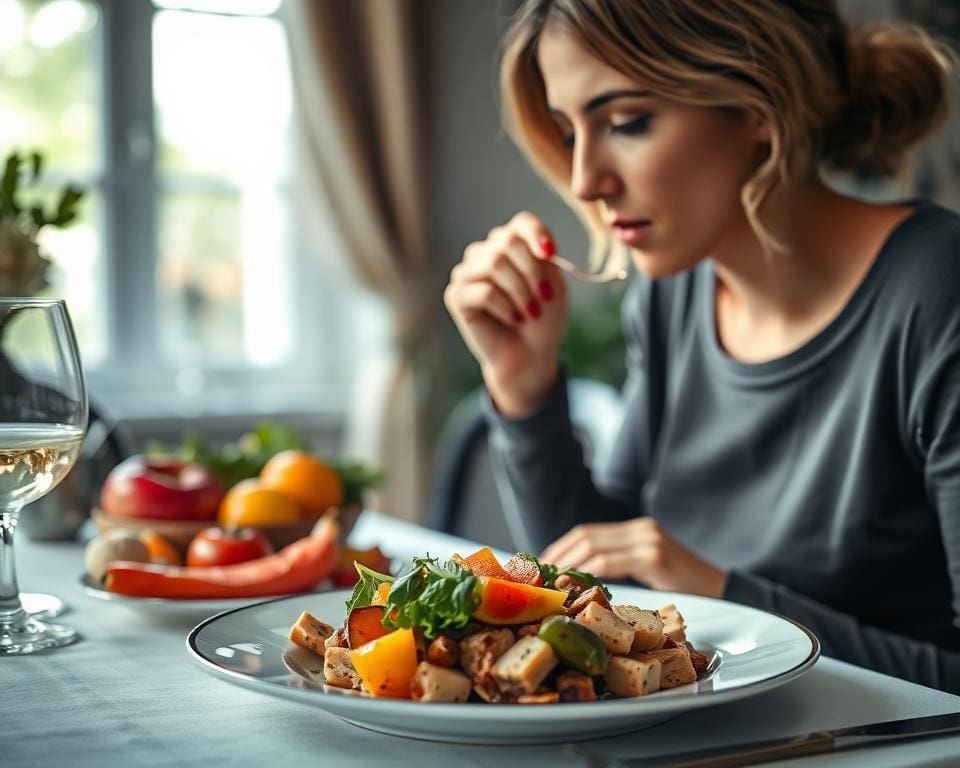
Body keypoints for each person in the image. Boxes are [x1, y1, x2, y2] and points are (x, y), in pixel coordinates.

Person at [443, 0, 960, 692]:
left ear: (757, 102)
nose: (584, 181)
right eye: (569, 131)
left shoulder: (938, 294)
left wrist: (722, 590)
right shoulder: (673, 293)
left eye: (626, 122)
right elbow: (598, 583)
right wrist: (523, 385)